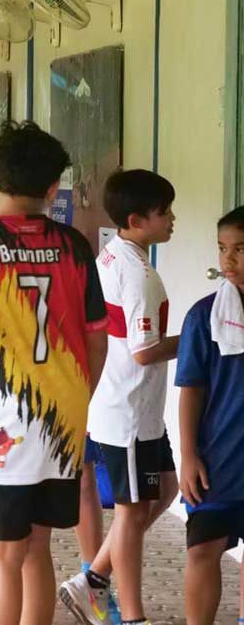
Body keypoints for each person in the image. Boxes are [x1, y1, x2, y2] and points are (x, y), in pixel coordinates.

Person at [0, 121, 108, 625]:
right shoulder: (75, 246)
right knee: (38, 547)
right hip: (62, 420)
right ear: (54, 188)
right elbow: (97, 338)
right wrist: (80, 398)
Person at [59, 170, 180, 625]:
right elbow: (145, 351)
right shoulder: (138, 275)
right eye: (164, 212)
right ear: (137, 219)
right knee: (132, 513)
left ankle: (91, 578)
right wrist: (195, 338)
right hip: (127, 409)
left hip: (134, 409)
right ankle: (131, 616)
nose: (172, 220)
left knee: (164, 491)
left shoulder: (108, 255)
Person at [177, 206, 244, 625]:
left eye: (240, 249)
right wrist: (188, 454)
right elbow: (191, 390)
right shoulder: (204, 317)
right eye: (222, 249)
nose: (228, 260)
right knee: (202, 549)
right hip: (218, 458)